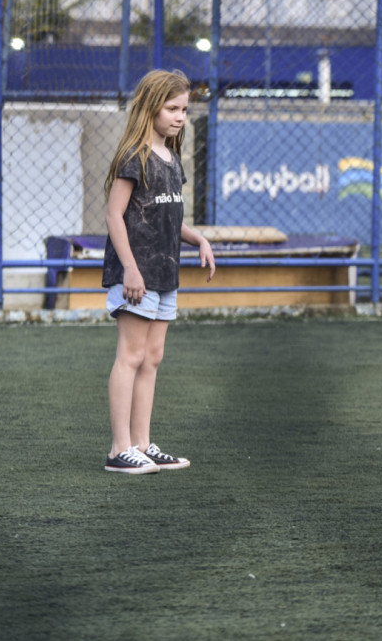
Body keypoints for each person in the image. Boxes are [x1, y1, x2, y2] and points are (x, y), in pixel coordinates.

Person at [101, 69, 216, 474]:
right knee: (130, 356)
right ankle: (119, 450)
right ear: (150, 107)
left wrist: (197, 239)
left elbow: (166, 215)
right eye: (172, 108)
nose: (180, 116)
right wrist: (131, 269)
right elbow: (114, 215)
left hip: (166, 274)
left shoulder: (172, 158)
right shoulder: (134, 157)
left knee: (152, 358)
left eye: (184, 109)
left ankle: (142, 444)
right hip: (137, 276)